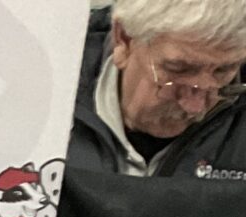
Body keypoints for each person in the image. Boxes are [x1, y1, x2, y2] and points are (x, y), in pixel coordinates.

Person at [69, 0, 246, 174]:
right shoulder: (58, 96)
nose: (195, 107)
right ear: (124, 40)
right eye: (178, 69)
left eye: (224, 71)